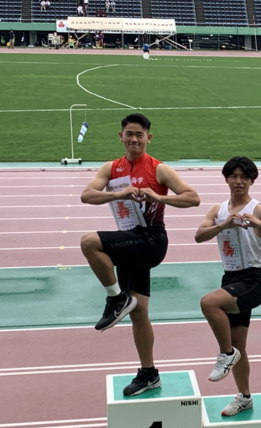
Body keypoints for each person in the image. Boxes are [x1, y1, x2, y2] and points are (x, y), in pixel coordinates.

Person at [79, 114, 200, 396]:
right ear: (120, 136)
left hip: (151, 239)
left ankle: (115, 298)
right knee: (139, 312)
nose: (134, 139)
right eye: (129, 134)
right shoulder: (111, 168)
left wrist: (158, 197)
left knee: (89, 242)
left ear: (149, 138)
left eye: (139, 134)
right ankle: (149, 374)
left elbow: (193, 198)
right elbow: (87, 195)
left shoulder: (159, 169)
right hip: (129, 241)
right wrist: (119, 194)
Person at [196, 157, 261, 416]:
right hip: (230, 279)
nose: (238, 181)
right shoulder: (217, 210)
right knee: (240, 346)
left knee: (209, 303)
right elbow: (199, 236)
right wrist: (224, 225)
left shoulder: (258, 209)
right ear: (226, 179)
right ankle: (244, 397)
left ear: (252, 181)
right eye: (233, 176)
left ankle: (225, 354)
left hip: (253, 279)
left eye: (244, 177)